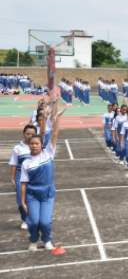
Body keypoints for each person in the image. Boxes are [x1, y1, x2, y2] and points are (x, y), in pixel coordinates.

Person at [20, 105, 66, 251]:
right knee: (33, 221)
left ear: (41, 145)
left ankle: (46, 240)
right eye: (32, 144)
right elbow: (23, 183)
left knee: (45, 222)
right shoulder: (26, 163)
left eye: (37, 143)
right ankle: (33, 240)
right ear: (29, 146)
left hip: (47, 192)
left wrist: (57, 118)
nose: (34, 146)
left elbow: (54, 134)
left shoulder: (48, 153)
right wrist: (23, 201)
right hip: (32, 194)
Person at [9, 124, 39, 230]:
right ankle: (25, 220)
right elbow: (13, 164)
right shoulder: (18, 148)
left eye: (33, 134)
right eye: (28, 133)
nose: (30, 135)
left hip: (35, 176)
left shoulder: (38, 146)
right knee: (20, 199)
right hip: (20, 177)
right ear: (23, 134)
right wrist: (12, 179)